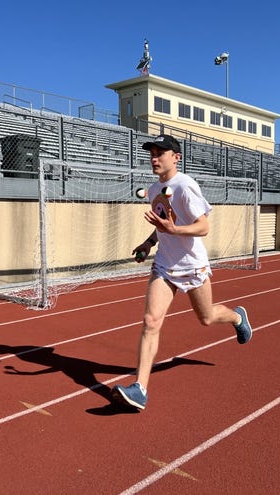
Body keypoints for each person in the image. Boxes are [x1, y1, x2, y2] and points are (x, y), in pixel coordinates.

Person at [111, 134, 253, 411]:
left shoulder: (186, 186)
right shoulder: (154, 190)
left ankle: (237, 316)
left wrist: (175, 231)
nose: (154, 157)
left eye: (160, 153)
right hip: (165, 264)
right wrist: (149, 243)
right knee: (151, 321)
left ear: (176, 157)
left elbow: (203, 227)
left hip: (192, 264)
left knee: (207, 317)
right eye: (152, 152)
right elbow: (163, 222)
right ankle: (140, 388)